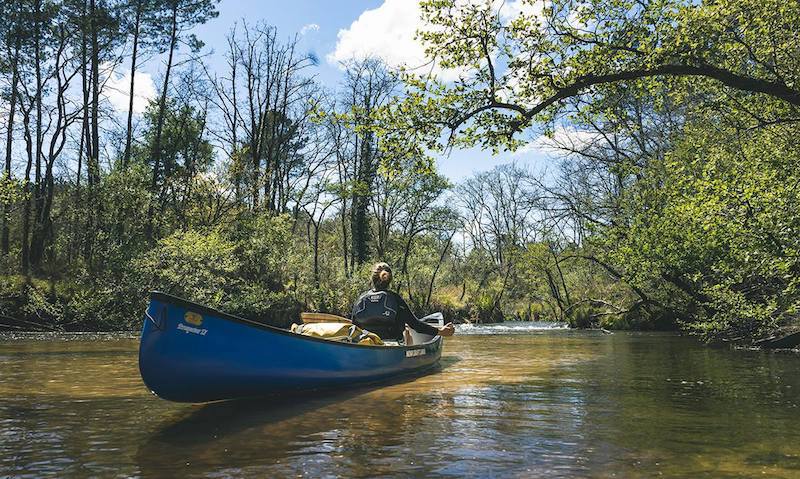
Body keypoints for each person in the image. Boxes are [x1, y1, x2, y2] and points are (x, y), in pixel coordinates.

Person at [351, 262, 455, 344]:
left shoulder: (361, 299)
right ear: (389, 280)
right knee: (407, 330)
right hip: (392, 345)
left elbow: (353, 326)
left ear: (372, 279)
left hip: (365, 343)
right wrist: (440, 331)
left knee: (406, 330)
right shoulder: (395, 299)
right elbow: (415, 325)